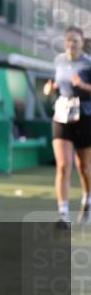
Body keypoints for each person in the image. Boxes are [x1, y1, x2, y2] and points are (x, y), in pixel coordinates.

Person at [44, 26, 91, 229]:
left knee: (84, 167)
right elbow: (58, 83)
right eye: (68, 41)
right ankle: (63, 215)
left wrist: (82, 85)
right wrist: (50, 88)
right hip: (62, 114)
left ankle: (87, 199)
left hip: (85, 116)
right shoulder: (59, 61)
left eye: (75, 41)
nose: (71, 44)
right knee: (63, 165)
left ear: (82, 43)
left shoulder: (88, 64)